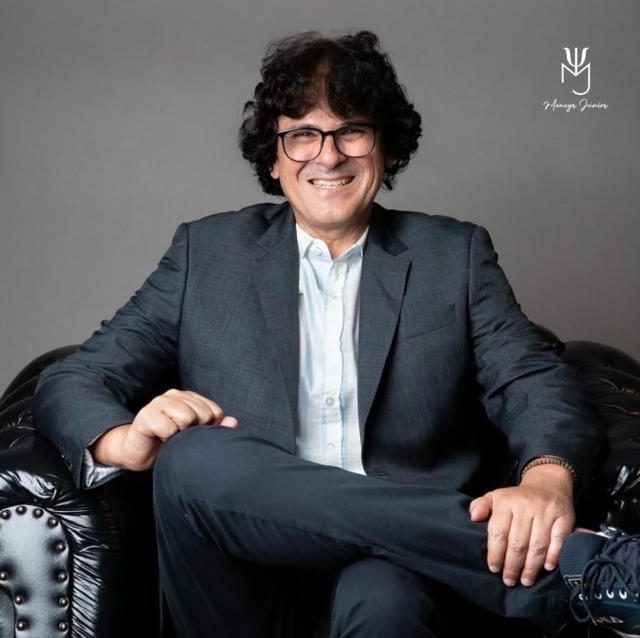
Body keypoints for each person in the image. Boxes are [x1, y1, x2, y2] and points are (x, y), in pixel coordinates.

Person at [32, 29, 640, 638]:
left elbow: (534, 379)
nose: (327, 156)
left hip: (392, 574)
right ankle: (580, 571)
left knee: (387, 600)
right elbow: (74, 378)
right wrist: (122, 441)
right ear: (273, 158)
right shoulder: (206, 254)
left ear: (386, 149)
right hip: (238, 583)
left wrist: (546, 479)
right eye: (302, 134)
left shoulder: (452, 256)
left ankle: (559, 571)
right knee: (192, 457)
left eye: (351, 130)